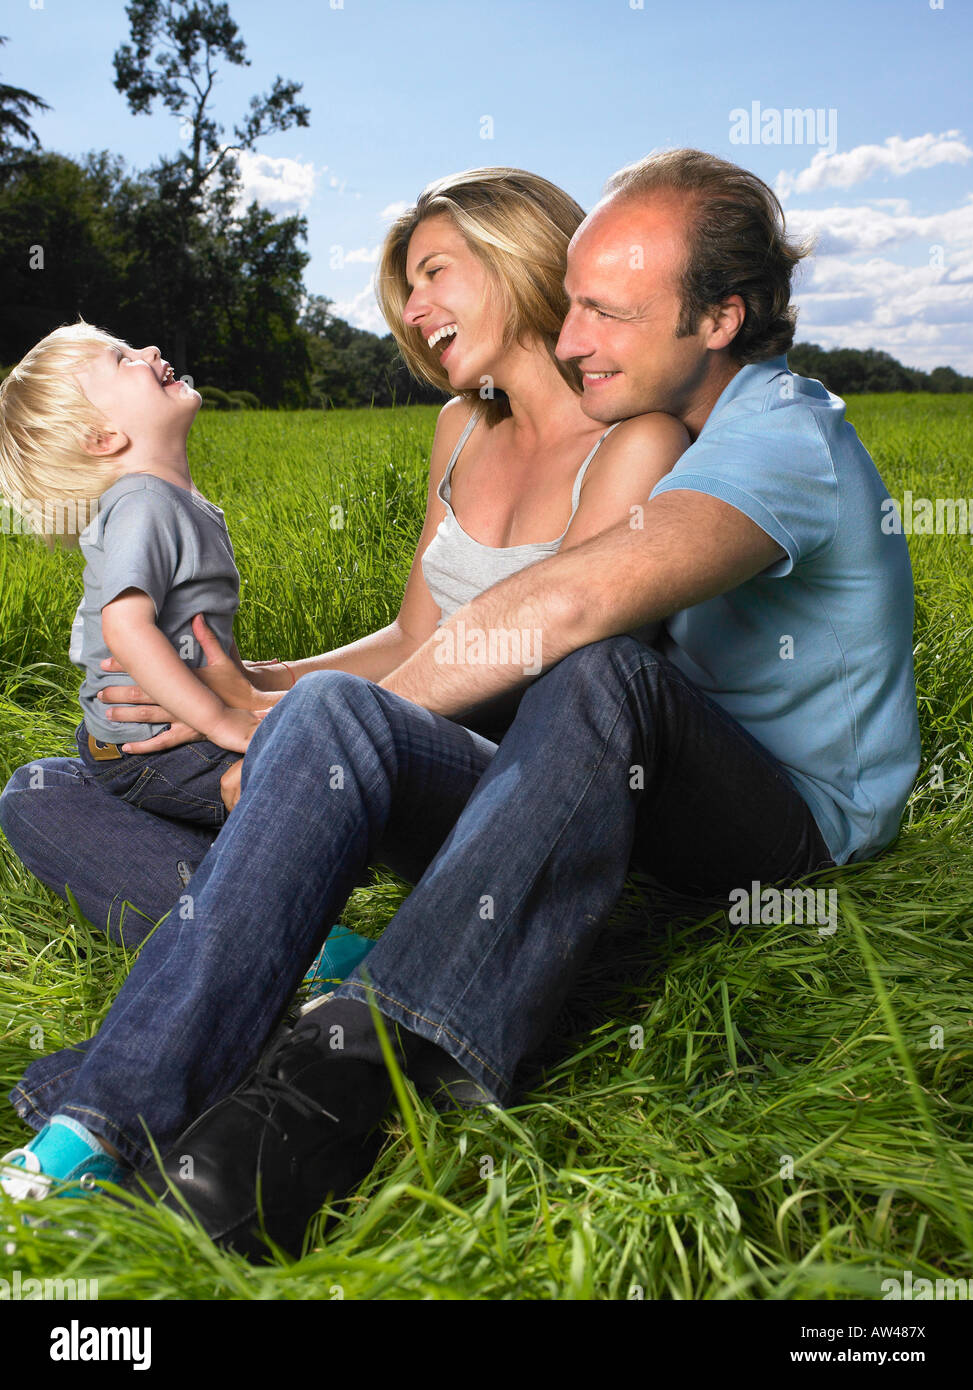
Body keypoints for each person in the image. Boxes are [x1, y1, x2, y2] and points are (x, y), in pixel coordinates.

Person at [0, 167, 689, 1214]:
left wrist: (285, 728)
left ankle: (103, 1115)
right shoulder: (461, 429)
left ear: (518, 255)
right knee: (41, 787)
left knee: (319, 726)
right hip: (406, 750)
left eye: (434, 274)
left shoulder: (636, 445)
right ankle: (305, 950)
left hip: (519, 791)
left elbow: (569, 668)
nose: (414, 310)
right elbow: (416, 636)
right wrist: (250, 685)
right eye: (405, 289)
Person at [0, 323, 280, 834]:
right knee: (287, 770)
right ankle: (234, 818)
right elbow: (124, 628)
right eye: (122, 359)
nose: (149, 351)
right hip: (150, 742)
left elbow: (193, 617)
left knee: (301, 737)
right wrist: (219, 720)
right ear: (104, 438)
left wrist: (236, 676)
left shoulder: (166, 501)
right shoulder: (144, 502)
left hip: (141, 731)